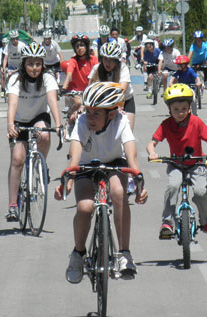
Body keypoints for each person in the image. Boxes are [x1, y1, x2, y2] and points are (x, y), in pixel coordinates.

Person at [54, 82, 147, 283]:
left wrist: (139, 180)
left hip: (114, 163)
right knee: (85, 207)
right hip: (87, 165)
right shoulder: (82, 122)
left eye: (97, 113)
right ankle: (78, 254)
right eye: (88, 111)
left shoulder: (121, 121)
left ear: (111, 114)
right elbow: (75, 155)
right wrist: (67, 182)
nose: (90, 117)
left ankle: (124, 254)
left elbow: (131, 155)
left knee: (118, 193)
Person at [146, 83, 207, 238]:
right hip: (176, 165)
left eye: (184, 109)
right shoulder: (166, 124)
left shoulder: (196, 122)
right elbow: (151, 143)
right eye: (175, 110)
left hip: (197, 164)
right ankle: (167, 223)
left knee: (200, 192)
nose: (180, 113)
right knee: (172, 186)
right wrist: (152, 152)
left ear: (190, 108)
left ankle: (205, 220)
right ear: (169, 110)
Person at [5, 43, 61, 221]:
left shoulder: (48, 78)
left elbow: (52, 101)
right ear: (23, 64)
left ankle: (41, 164)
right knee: (17, 159)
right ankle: (13, 205)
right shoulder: (15, 79)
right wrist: (10, 124)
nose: (35, 68)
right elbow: (12, 103)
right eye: (30, 64)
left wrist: (59, 125)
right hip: (20, 119)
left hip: (39, 116)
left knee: (44, 134)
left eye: (38, 63)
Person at [89, 41, 136, 129]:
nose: (108, 63)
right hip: (105, 103)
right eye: (106, 59)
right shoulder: (96, 68)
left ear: (116, 60)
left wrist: (118, 105)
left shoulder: (123, 68)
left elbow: (122, 90)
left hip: (125, 101)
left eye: (111, 60)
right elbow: (89, 89)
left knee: (127, 131)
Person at [62, 33, 98, 121]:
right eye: (77, 46)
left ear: (86, 46)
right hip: (75, 92)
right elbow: (69, 74)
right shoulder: (73, 60)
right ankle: (69, 121)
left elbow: (98, 74)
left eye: (82, 45)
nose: (79, 48)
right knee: (79, 102)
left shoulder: (94, 60)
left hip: (89, 91)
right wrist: (63, 88)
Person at [1, 30, 24, 98]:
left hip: (20, 66)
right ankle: (7, 90)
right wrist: (4, 68)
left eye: (17, 38)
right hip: (11, 66)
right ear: (10, 39)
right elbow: (5, 58)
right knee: (7, 76)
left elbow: (25, 58)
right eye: (13, 39)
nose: (15, 40)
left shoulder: (22, 45)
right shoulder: (8, 46)